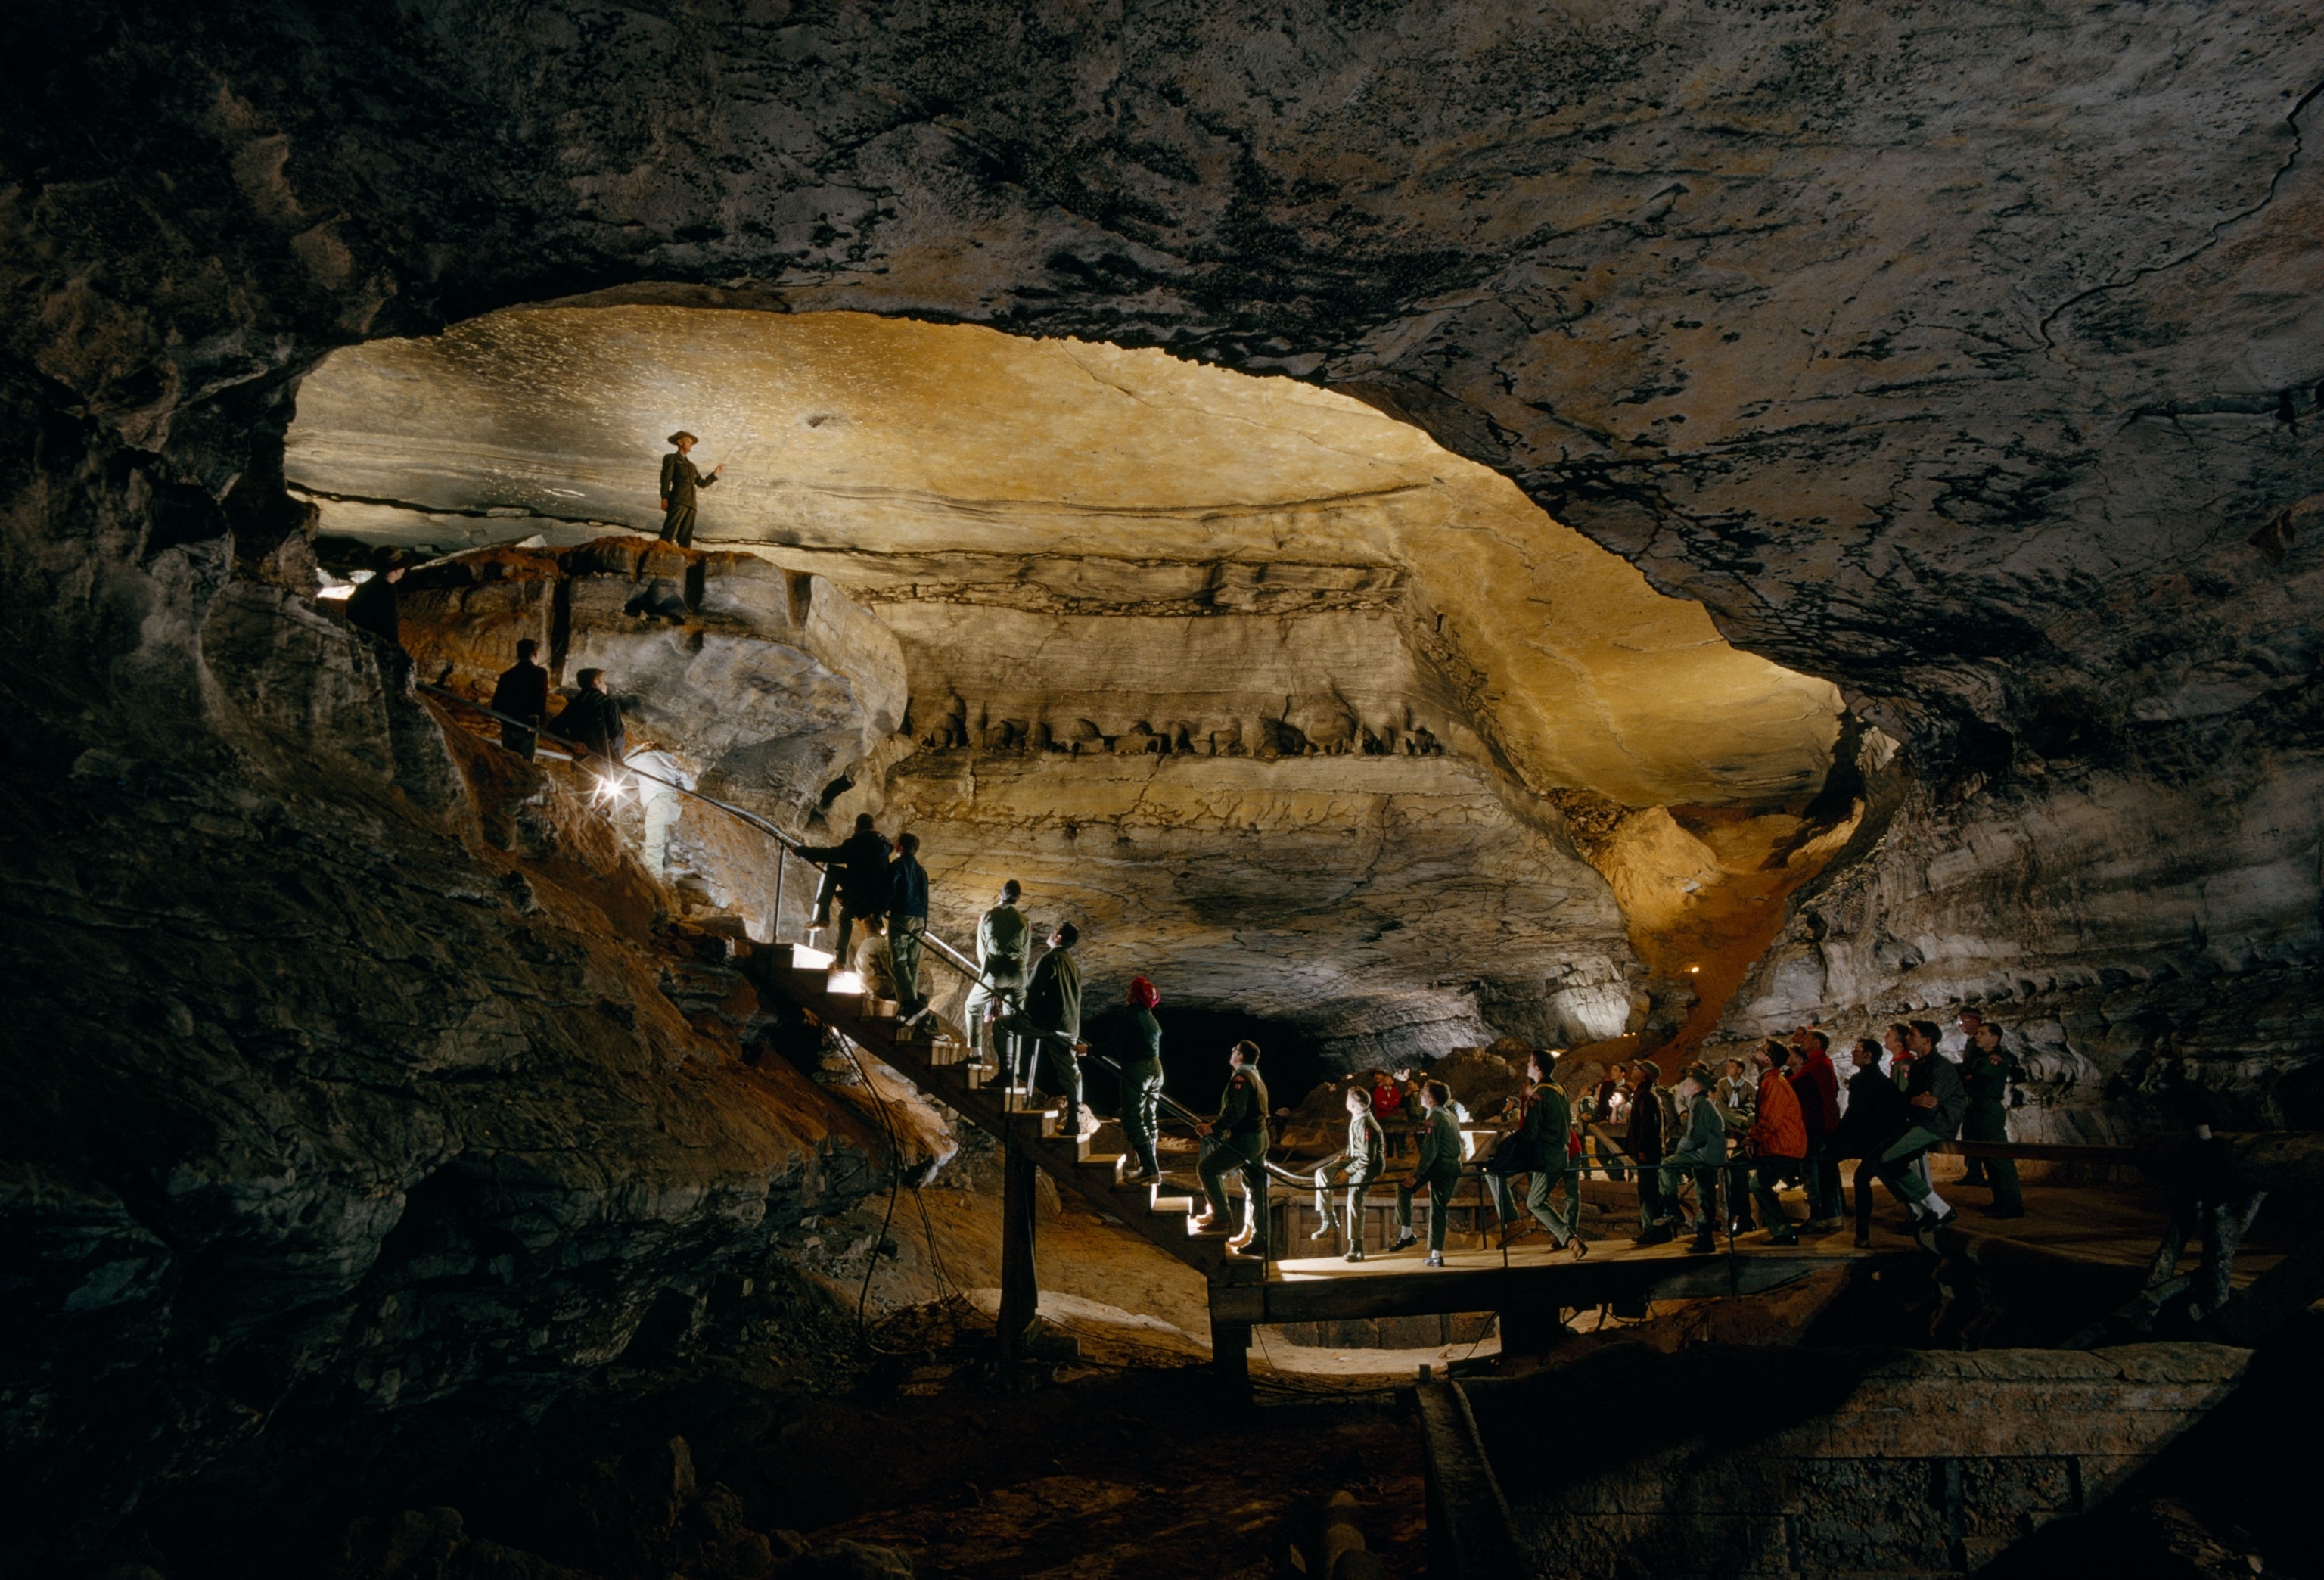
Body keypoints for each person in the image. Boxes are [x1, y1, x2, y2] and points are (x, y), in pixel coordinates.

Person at [1869, 1020, 1968, 1250]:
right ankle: (1918, 1210)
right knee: (1876, 1160)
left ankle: (1940, 1208)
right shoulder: (1919, 1065)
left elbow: (1929, 1104)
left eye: (1912, 1035)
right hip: (1919, 1120)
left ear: (1927, 1041)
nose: (1908, 1038)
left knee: (1889, 1159)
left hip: (1937, 1124)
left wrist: (1910, 1102)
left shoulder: (1939, 1067)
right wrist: (1912, 1101)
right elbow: (1910, 1099)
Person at [1484, 1052, 1586, 1255]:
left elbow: (1530, 1132)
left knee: (1528, 1197)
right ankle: (1567, 1237)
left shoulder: (1539, 1095)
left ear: (1538, 1068)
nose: (1527, 1066)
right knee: (1540, 1199)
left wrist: (1508, 1149)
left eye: (1530, 1063)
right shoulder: (1559, 1089)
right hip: (1561, 1152)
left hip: (1546, 1156)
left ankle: (1518, 1224)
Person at [1003, 922, 1085, 1129]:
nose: (1051, 933)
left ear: (1059, 938)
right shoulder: (1073, 965)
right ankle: (1074, 1120)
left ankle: (1006, 1074)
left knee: (1002, 1025)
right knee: (1071, 1073)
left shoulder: (1049, 959)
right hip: (1069, 1027)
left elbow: (1033, 991)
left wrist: (1027, 1014)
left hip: (1048, 1025)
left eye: (1054, 931)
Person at [1193, 1040, 1270, 1257]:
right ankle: (1257, 1238)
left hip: (1246, 1140)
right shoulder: (1256, 1076)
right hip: (1261, 1138)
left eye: (1235, 1050)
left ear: (1241, 1057)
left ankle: (1221, 1217)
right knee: (1256, 1189)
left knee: (1207, 1169)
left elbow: (1236, 1112)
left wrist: (1213, 1128)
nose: (1232, 1052)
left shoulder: (1241, 1079)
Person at [1833, 1035, 1911, 1247]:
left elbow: (1855, 1114)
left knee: (1861, 1178)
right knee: (1870, 1177)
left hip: (1871, 1141)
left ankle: (1858, 1230)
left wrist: (1838, 1136)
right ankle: (1861, 1233)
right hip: (1878, 1140)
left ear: (1868, 1055)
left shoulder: (1861, 1081)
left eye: (1857, 1050)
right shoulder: (1883, 1081)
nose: (1853, 1053)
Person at [1643, 1064, 1727, 1253]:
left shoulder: (1699, 1104)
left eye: (1687, 1084)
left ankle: (1671, 1209)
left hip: (1705, 1154)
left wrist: (1680, 1151)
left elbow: (1695, 1135)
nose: (1683, 1087)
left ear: (1696, 1087)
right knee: (1705, 1195)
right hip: (1711, 1155)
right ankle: (1704, 1240)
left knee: (1667, 1165)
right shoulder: (1702, 1102)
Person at [797, 814, 892, 963]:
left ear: (856, 828)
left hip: (859, 888)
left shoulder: (856, 843)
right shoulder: (884, 847)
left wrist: (802, 851)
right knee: (845, 916)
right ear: (874, 827)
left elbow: (831, 855)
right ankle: (839, 961)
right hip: (875, 895)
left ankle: (823, 916)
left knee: (832, 871)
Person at [1393, 1080, 1465, 1267]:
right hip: (1454, 1166)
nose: (1421, 1095)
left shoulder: (1434, 1118)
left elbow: (1429, 1152)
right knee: (1439, 1208)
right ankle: (1436, 1254)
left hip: (1439, 1166)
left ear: (1432, 1100)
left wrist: (1416, 1175)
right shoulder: (1449, 1115)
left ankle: (1406, 1234)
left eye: (1424, 1093)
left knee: (1404, 1188)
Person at [1313, 1085, 1387, 1261]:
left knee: (1354, 1198)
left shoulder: (1367, 1124)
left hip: (1370, 1165)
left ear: (1352, 1105)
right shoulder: (1357, 1116)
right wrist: (1345, 1157)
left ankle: (1356, 1246)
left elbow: (1367, 1158)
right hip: (1355, 1158)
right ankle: (1329, 1222)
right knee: (1322, 1173)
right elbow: (1354, 1144)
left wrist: (1346, 1171)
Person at [963, 880, 1030, 1075]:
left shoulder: (987, 916)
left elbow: (982, 950)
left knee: (972, 1006)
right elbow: (1026, 953)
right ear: (1018, 898)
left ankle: (975, 1054)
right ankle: (1012, 1068)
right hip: (1018, 974)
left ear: (1001, 895)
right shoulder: (1025, 921)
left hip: (996, 970)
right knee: (1014, 1019)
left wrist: (989, 976)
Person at [1744, 1043, 1807, 1245]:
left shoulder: (1772, 1083)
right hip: (1781, 1143)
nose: (1755, 1050)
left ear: (1768, 1059)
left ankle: (1782, 1231)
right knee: (1756, 1181)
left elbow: (1770, 1120)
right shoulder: (1771, 1080)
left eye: (1760, 1049)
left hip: (1783, 1145)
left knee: (1758, 1184)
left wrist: (1752, 1138)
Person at [1963, 1020, 2024, 1218]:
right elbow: (1968, 1075)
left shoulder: (1994, 1058)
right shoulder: (1981, 1057)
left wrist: (1970, 1078)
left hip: (1988, 1108)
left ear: (1995, 1038)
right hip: (1978, 1108)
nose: (1977, 1036)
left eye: (1982, 1033)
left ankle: (2012, 1205)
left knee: (1999, 1157)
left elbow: (1979, 1080)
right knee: (1988, 1158)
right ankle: (2000, 1201)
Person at [1788, 1029, 1844, 1232]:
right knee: (1825, 1173)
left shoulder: (1815, 1066)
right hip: (1825, 1124)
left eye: (1808, 1038)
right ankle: (1833, 1216)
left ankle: (1818, 1218)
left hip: (1816, 1125)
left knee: (1812, 1173)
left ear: (1817, 1043)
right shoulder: (1823, 1063)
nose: (1803, 1041)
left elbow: (1793, 1087)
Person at [1115, 977, 1167, 1183]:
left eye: (1130, 990)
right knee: (1148, 1116)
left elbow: (1115, 1046)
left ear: (1135, 996)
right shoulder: (1150, 1018)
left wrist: (1090, 1050)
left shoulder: (1129, 1015)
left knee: (1132, 1118)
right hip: (1156, 1068)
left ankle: (1149, 1169)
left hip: (1138, 1070)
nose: (1127, 992)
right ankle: (1149, 1167)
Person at [884, 832, 930, 1017]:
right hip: (919, 918)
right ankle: (913, 998)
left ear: (900, 847)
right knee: (912, 960)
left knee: (898, 960)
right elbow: (926, 898)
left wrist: (881, 910)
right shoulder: (921, 871)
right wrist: (925, 924)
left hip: (902, 916)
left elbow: (889, 889)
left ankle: (909, 1001)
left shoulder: (898, 865)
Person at [346, 552, 409, 682]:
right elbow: (388, 622)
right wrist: (394, 648)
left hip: (358, 639)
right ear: (396, 570)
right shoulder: (388, 590)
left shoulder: (365, 587)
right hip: (373, 643)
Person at [657, 430, 723, 548]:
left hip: (691, 505)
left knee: (686, 538)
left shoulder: (692, 466)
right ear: (680, 442)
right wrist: (664, 498)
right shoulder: (671, 458)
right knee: (669, 533)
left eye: (692, 442)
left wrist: (714, 474)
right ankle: (659, 553)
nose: (691, 444)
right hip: (678, 501)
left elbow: (702, 483)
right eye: (688, 441)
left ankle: (684, 557)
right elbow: (665, 479)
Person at [489, 637, 551, 759]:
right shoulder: (539, 673)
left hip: (508, 727)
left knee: (509, 761)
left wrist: (506, 722)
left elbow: (496, 705)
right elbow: (540, 699)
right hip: (527, 727)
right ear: (535, 654)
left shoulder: (507, 675)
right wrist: (540, 722)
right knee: (524, 763)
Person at [1626, 1059, 1666, 1234]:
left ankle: (1652, 1230)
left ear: (1643, 1075)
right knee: (1649, 1189)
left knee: (1648, 1190)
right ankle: (1653, 1228)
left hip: (1648, 1151)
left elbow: (1647, 1124)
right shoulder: (1647, 1093)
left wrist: (1642, 1148)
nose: (1634, 1070)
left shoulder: (1644, 1095)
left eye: (1637, 1068)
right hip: (1651, 1150)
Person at [557, 669, 627, 764]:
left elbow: (554, 728)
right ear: (596, 682)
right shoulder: (607, 703)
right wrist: (616, 760)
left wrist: (573, 744)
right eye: (603, 681)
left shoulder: (575, 704)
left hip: (582, 760)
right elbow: (615, 733)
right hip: (606, 760)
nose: (606, 685)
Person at [850, 913, 899, 1004]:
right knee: (918, 999)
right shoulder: (882, 943)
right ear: (881, 928)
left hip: (867, 988)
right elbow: (892, 968)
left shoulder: (863, 945)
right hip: (883, 989)